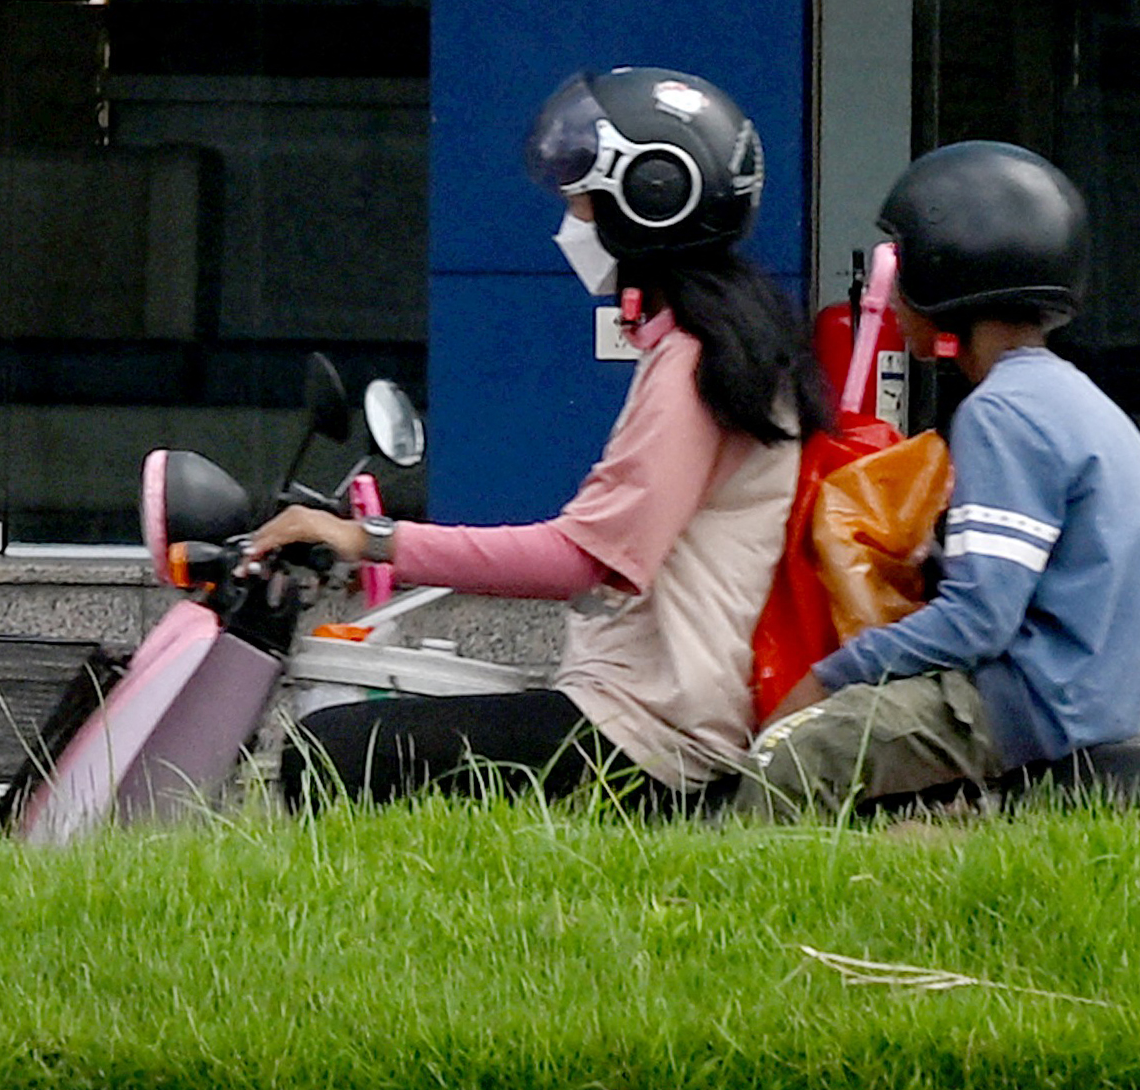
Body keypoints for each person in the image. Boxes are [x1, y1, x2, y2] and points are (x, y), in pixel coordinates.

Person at [260, 67, 819, 809]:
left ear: (650, 198)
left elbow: (578, 558)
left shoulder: (695, 364)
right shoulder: (712, 344)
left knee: (329, 755)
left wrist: (371, 538)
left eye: (582, 198)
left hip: (648, 738)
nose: (570, 219)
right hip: (632, 708)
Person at [739, 141, 1140, 816]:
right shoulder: (1074, 401)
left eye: (901, 265)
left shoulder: (1003, 411)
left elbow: (980, 617)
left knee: (793, 755)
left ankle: (747, 918)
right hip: (1086, 695)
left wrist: (826, 679)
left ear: (945, 275)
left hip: (1029, 701)